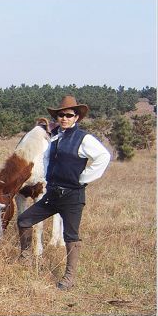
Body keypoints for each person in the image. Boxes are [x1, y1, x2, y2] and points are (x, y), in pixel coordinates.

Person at [17, 95, 110, 290]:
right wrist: (49, 177)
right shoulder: (56, 136)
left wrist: (82, 178)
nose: (64, 118)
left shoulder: (83, 138)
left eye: (69, 115)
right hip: (52, 194)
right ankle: (25, 260)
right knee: (24, 220)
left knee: (71, 235)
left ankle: (69, 278)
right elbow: (46, 160)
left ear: (76, 117)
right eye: (61, 115)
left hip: (72, 196)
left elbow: (103, 156)